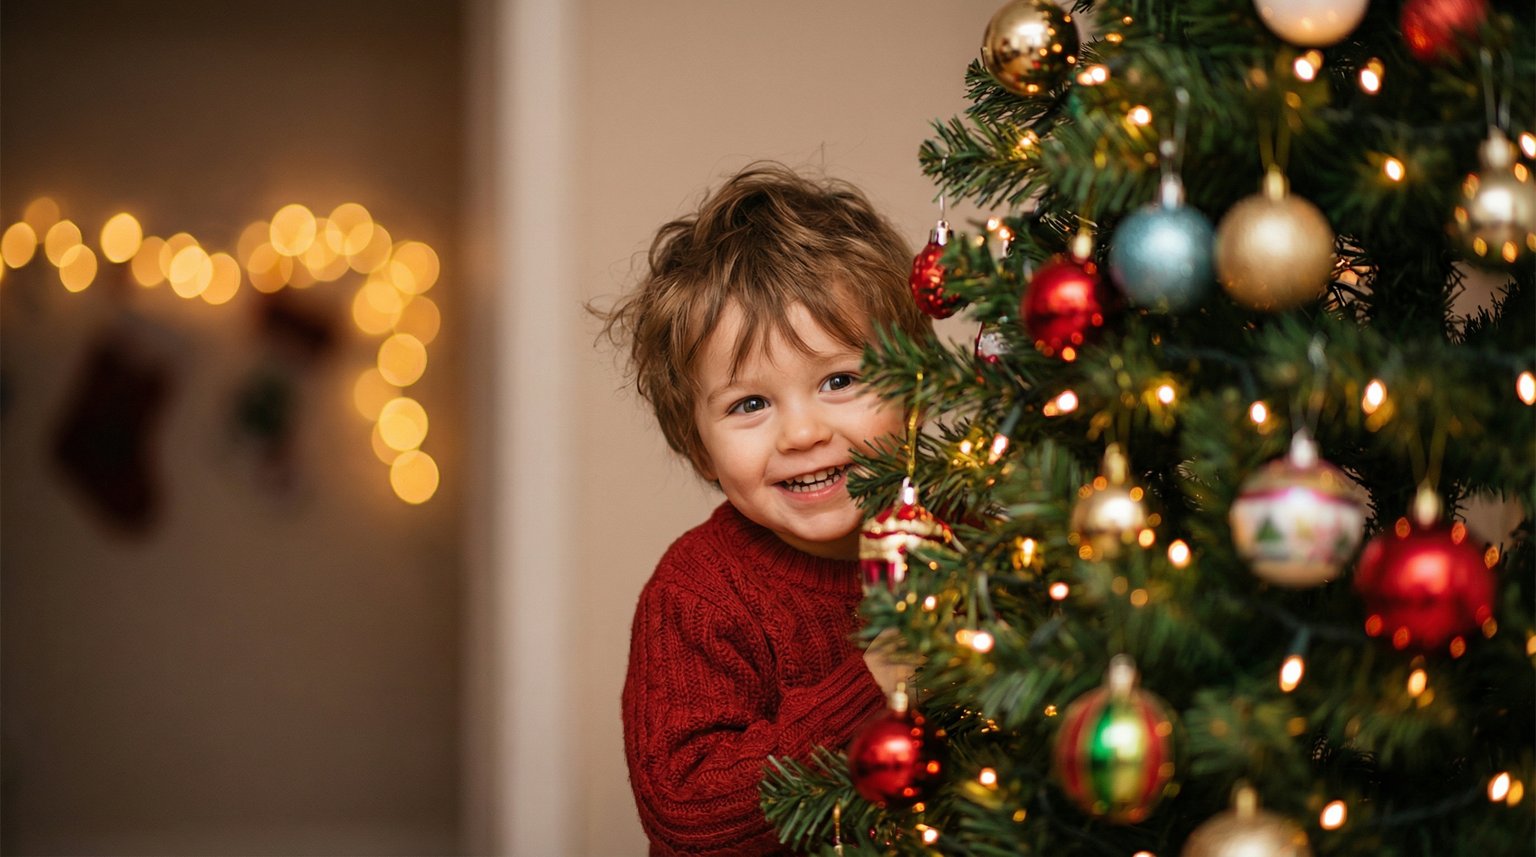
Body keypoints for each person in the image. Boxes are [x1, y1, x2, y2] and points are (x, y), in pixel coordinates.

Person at [597, 163, 934, 855]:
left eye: (840, 380)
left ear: (917, 385)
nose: (803, 433)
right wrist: (876, 677)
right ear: (698, 445)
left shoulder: (976, 538)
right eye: (750, 403)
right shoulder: (698, 595)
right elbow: (687, 811)